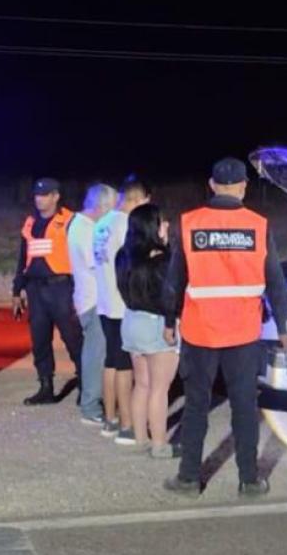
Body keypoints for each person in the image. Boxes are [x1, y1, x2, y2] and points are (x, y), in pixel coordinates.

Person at [162, 157, 287, 497]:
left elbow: (173, 281)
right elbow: (276, 284)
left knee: (196, 406)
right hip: (243, 333)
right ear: (242, 186)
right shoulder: (258, 225)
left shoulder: (189, 223)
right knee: (244, 407)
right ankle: (249, 480)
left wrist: (168, 320)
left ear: (211, 185)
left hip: (200, 331)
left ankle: (189, 479)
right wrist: (282, 328)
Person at [12, 177, 85, 406]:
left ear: (56, 196)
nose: (39, 199)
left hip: (61, 287)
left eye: (44, 195)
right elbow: (23, 258)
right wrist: (17, 289)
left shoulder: (70, 221)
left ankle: (86, 385)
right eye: (37, 195)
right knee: (40, 340)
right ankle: (46, 387)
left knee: (73, 338)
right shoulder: (31, 223)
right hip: (36, 288)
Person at [115, 203, 180, 458]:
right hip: (157, 324)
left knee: (141, 384)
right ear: (152, 227)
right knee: (159, 388)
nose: (167, 226)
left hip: (131, 321)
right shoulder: (164, 261)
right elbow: (169, 297)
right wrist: (170, 323)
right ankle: (160, 444)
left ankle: (141, 438)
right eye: (163, 222)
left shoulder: (124, 256)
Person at [93, 175, 151, 443]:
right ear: (136, 200)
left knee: (111, 362)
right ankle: (127, 425)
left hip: (104, 302)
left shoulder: (101, 223)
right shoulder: (127, 224)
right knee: (124, 366)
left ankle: (110, 418)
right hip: (121, 304)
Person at [69, 183, 118, 424]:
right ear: (102, 206)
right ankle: (90, 406)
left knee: (98, 352)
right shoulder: (86, 230)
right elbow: (97, 262)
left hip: (91, 297)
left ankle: (94, 401)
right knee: (95, 354)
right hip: (93, 300)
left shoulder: (81, 225)